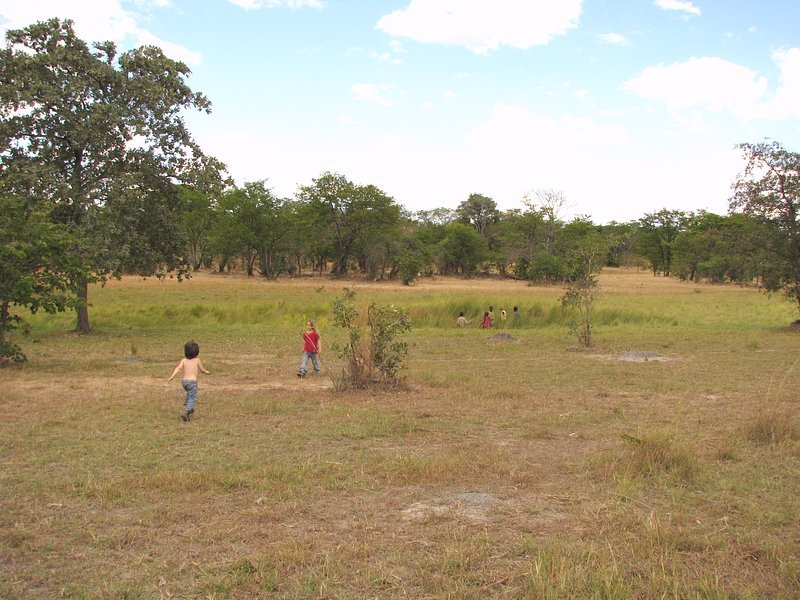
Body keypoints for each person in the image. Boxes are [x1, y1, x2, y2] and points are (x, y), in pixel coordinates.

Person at [168, 340, 210, 422]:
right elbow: (202, 370)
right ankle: (187, 411)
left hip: (184, 382)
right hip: (192, 382)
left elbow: (178, 368)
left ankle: (188, 406)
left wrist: (172, 376)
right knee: (193, 397)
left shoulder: (183, 361)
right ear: (196, 352)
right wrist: (207, 372)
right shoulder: (197, 360)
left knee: (189, 392)